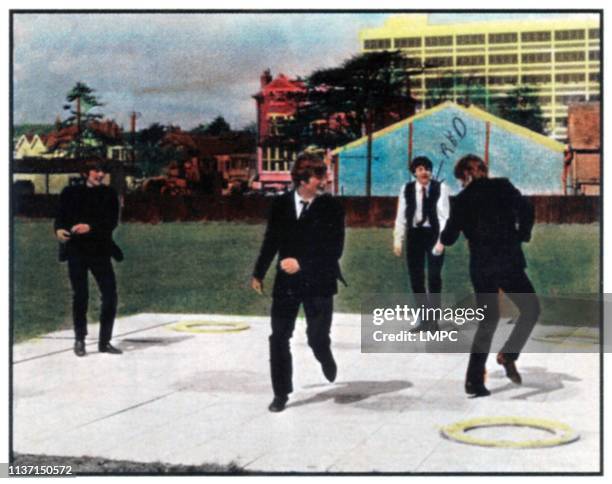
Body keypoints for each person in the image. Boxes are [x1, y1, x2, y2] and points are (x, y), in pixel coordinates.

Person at [436, 154, 540, 397]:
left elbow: (450, 237)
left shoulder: (461, 200)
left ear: (467, 174)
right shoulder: (502, 186)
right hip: (508, 261)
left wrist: (442, 236)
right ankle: (508, 354)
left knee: (488, 320)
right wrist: (521, 234)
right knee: (531, 309)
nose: (461, 184)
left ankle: (474, 382)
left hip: (482, 266)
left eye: (461, 179)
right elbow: (528, 207)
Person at [251, 151, 345, 413]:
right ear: (303, 179)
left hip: (319, 281)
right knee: (279, 337)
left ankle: (324, 355)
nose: (325, 181)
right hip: (287, 284)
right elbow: (271, 240)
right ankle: (281, 393)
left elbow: (334, 248)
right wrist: (259, 272)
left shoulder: (331, 207)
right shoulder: (280, 204)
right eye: (320, 176)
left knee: (316, 338)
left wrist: (302, 263)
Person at [55, 160, 124, 357]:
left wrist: (90, 228)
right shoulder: (70, 192)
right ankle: (79, 339)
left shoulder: (109, 194)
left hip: (100, 251)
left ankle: (105, 341)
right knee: (80, 295)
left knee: (110, 295)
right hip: (76, 251)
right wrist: (59, 230)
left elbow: (111, 222)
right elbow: (60, 218)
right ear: (86, 173)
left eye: (102, 171)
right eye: (96, 170)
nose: (100, 174)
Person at [393, 156, 450, 331]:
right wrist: (398, 239)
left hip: (433, 235)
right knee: (416, 279)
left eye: (427, 169)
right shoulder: (407, 189)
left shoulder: (441, 188)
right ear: (414, 173)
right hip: (414, 236)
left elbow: (444, 217)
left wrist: (441, 241)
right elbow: (401, 216)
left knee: (434, 277)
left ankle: (433, 321)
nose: (424, 172)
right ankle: (424, 320)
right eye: (420, 169)